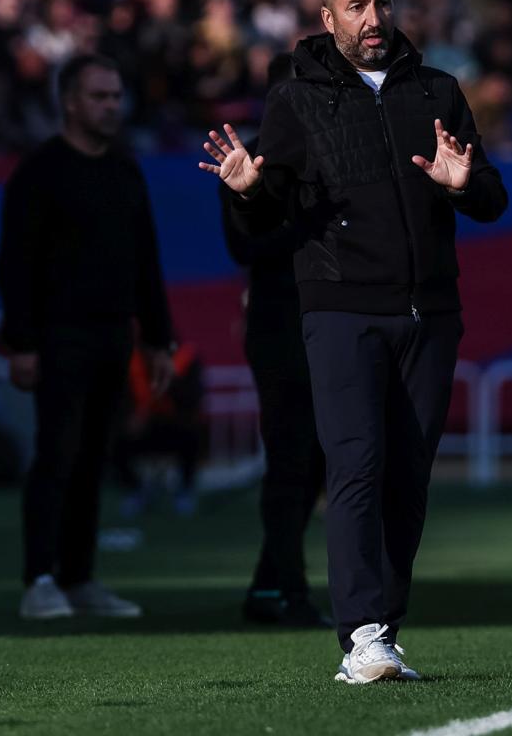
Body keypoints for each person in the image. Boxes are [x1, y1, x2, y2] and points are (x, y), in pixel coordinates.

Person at [200, 0, 508, 683]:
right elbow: (258, 225)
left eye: (384, 3)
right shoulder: (296, 99)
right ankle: (360, 633)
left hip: (431, 314)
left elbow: (492, 199)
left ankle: (384, 631)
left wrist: (465, 185)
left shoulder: (437, 91)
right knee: (356, 467)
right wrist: (244, 190)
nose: (374, 19)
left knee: (408, 476)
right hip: (340, 311)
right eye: (358, 6)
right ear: (328, 17)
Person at [0, 54, 176, 620]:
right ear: (70, 102)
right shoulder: (40, 171)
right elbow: (15, 263)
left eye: (116, 96)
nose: (111, 106)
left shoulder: (124, 170)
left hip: (112, 337)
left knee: (95, 458)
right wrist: (21, 342)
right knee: (56, 454)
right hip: (57, 337)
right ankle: (40, 579)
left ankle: (79, 578)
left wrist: (157, 338)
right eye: (99, 96)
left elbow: (145, 258)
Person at [218, 53, 330, 629]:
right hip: (279, 326)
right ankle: (290, 589)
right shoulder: (247, 156)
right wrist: (306, 230)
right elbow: (243, 249)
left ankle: (269, 583)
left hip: (322, 322)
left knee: (313, 464)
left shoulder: (327, 154)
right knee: (292, 459)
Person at [115, 341, 206, 518]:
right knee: (113, 441)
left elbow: (194, 400)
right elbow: (118, 399)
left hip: (176, 424)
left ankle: (185, 491)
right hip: (143, 427)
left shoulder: (185, 360)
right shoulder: (131, 361)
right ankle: (137, 489)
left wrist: (171, 383)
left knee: (192, 436)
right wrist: (128, 418)